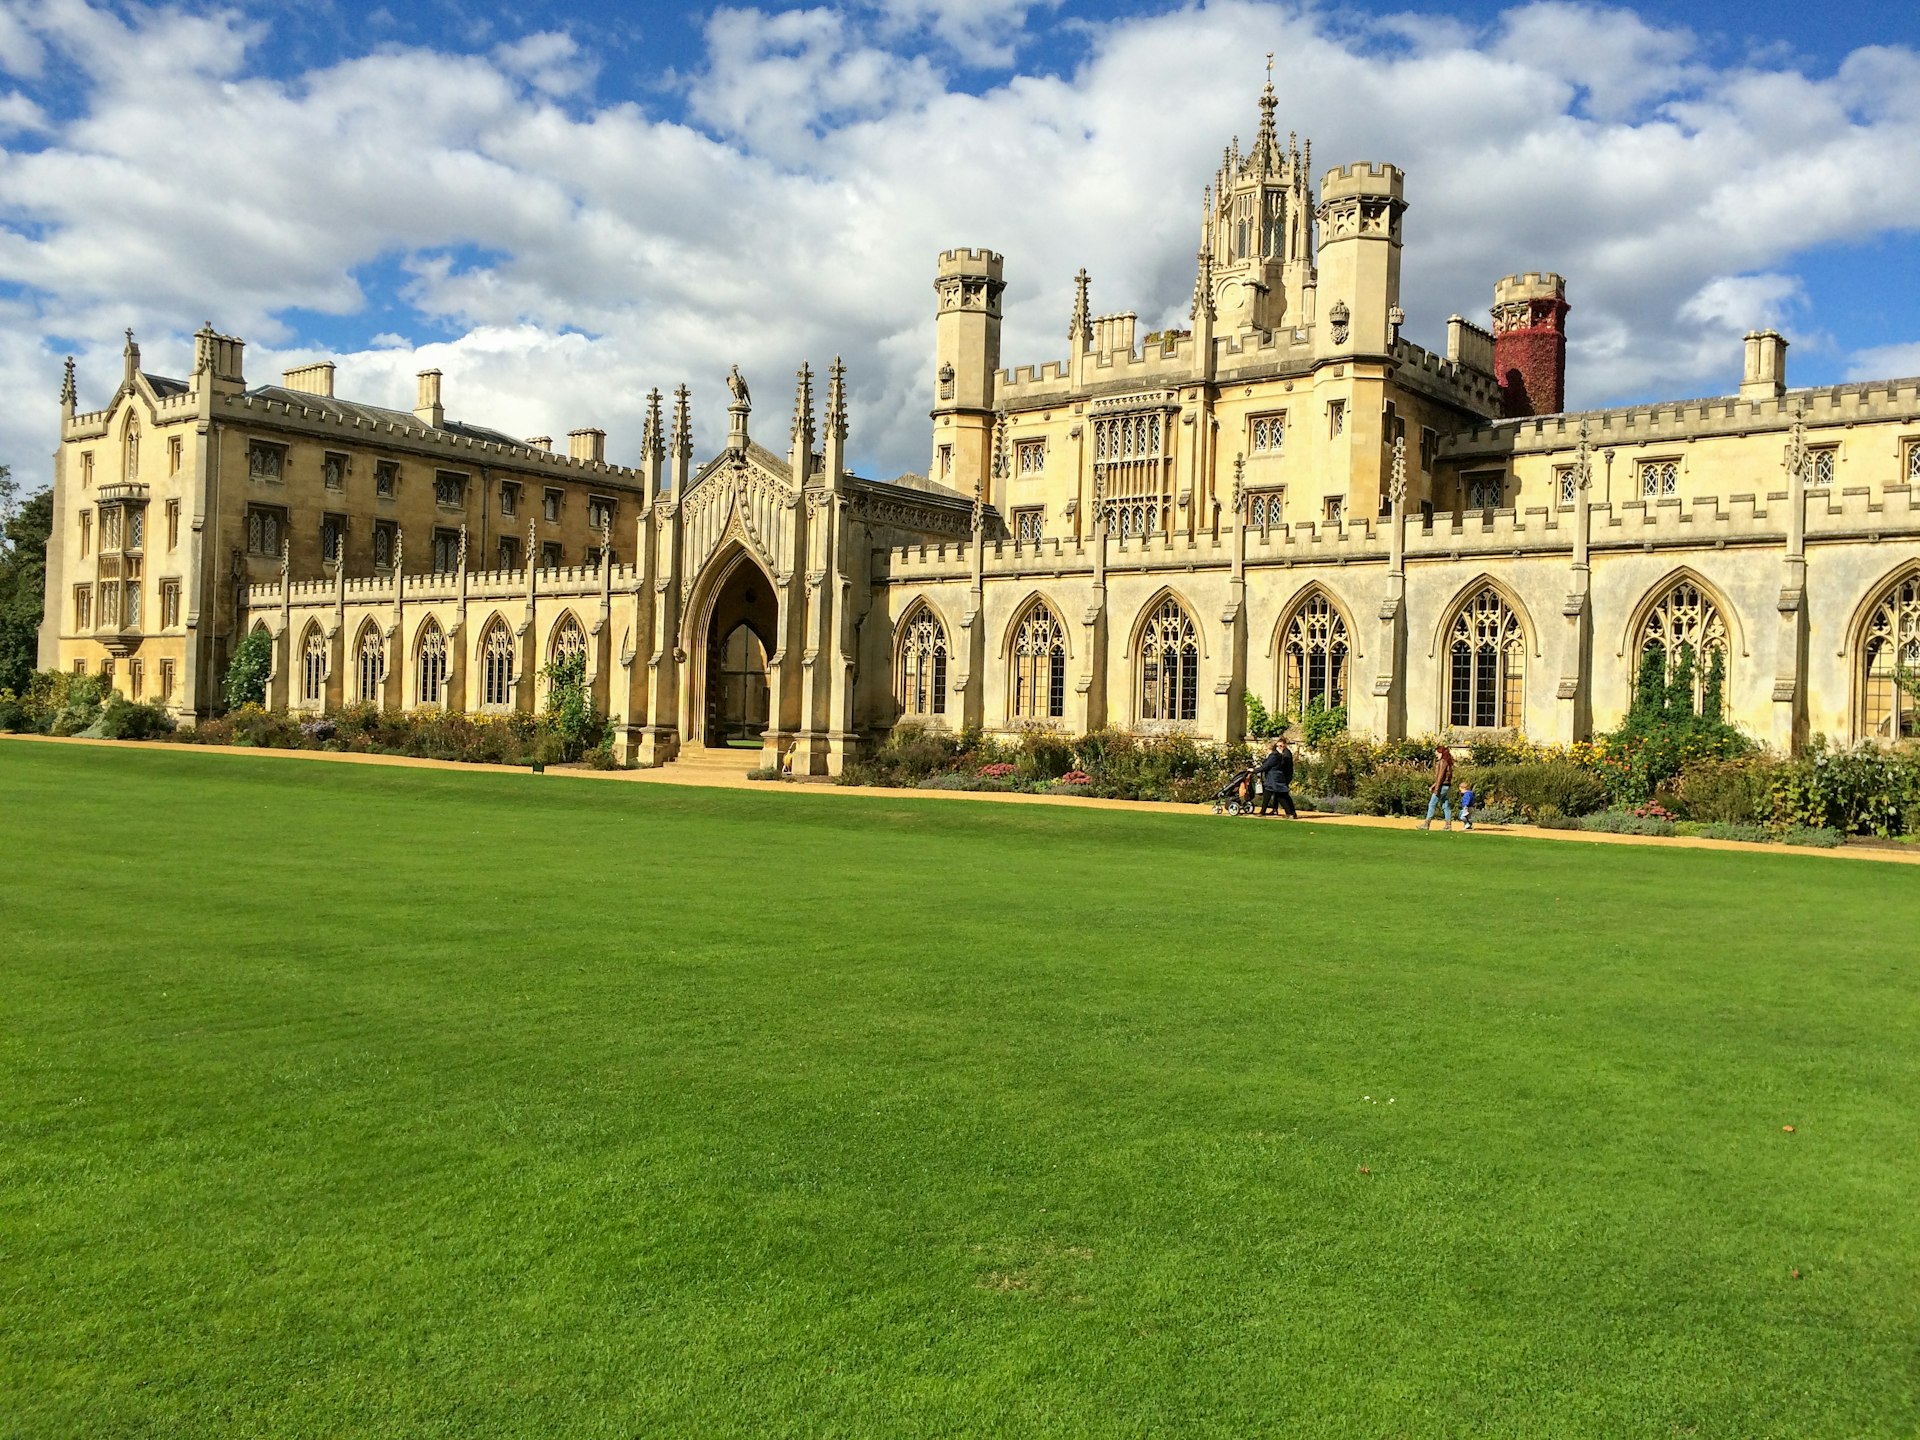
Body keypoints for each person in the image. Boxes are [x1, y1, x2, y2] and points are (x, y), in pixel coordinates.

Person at [1258, 739, 1298, 818]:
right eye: (1278, 746)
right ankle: (1267, 810)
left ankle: (1290, 813)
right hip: (1276, 778)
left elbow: (1268, 766)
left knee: (1282, 795)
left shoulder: (1283, 754)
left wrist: (1255, 770)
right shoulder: (1277, 755)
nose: (1279, 747)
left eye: (1281, 745)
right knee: (1271, 794)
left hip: (1279, 778)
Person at [1419, 743, 1455, 830]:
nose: (1436, 754)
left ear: (1441, 753)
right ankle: (1448, 825)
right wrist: (1433, 786)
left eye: (1437, 753)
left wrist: (1436, 789)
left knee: (1431, 804)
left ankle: (1426, 824)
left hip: (1442, 787)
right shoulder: (1448, 763)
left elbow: (1440, 777)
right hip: (1446, 786)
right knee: (1446, 805)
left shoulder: (1442, 762)